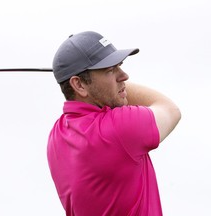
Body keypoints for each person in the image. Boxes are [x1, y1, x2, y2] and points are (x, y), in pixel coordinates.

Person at [47, 31, 181, 216]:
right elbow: (170, 110)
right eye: (110, 70)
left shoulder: (57, 134)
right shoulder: (119, 127)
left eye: (119, 66)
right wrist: (120, 90)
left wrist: (101, 84)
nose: (124, 76)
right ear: (79, 85)